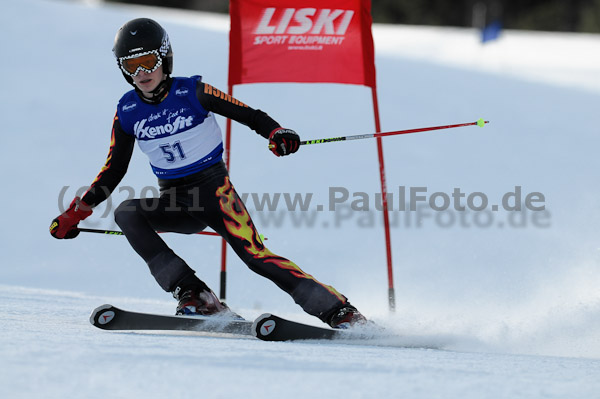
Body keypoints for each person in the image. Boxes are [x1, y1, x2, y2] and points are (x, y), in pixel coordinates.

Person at [50, 18, 367, 329]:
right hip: (175, 201)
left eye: (148, 62)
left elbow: (250, 115)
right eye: (131, 66)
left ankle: (339, 311)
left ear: (164, 58)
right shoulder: (127, 111)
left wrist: (276, 132)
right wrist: (78, 211)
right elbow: (113, 169)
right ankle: (197, 296)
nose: (141, 73)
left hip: (216, 194)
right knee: (128, 213)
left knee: (254, 256)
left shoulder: (192, 92)